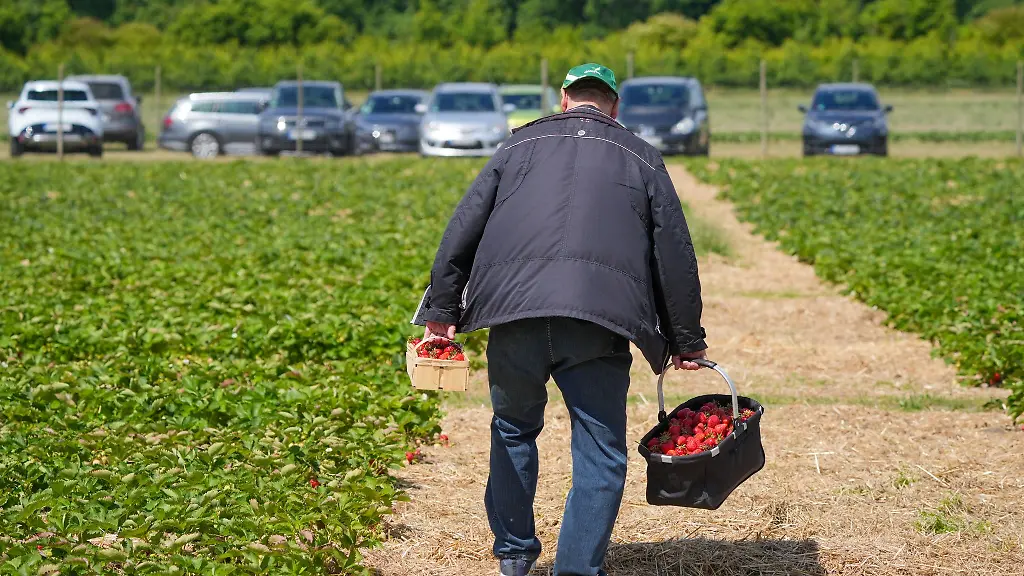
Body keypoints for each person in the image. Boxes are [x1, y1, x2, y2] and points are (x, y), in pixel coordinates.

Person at [412, 63, 708, 576]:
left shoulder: (515, 146)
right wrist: (686, 339)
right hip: (598, 319)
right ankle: (574, 570)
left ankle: (513, 556)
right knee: (600, 452)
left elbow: (464, 226)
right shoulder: (642, 155)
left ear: (565, 98)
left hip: (515, 312)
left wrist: (441, 310)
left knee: (512, 429)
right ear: (613, 106)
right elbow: (673, 254)